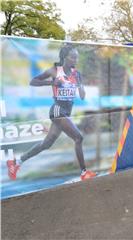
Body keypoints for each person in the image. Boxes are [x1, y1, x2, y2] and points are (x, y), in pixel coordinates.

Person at [7, 44, 97, 181]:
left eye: (77, 58)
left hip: (66, 112)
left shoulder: (76, 74)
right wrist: (51, 83)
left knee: (46, 144)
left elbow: (83, 96)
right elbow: (33, 81)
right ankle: (84, 172)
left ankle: (16, 162)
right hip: (57, 110)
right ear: (65, 57)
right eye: (73, 57)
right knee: (78, 138)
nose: (75, 60)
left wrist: (80, 84)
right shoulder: (55, 71)